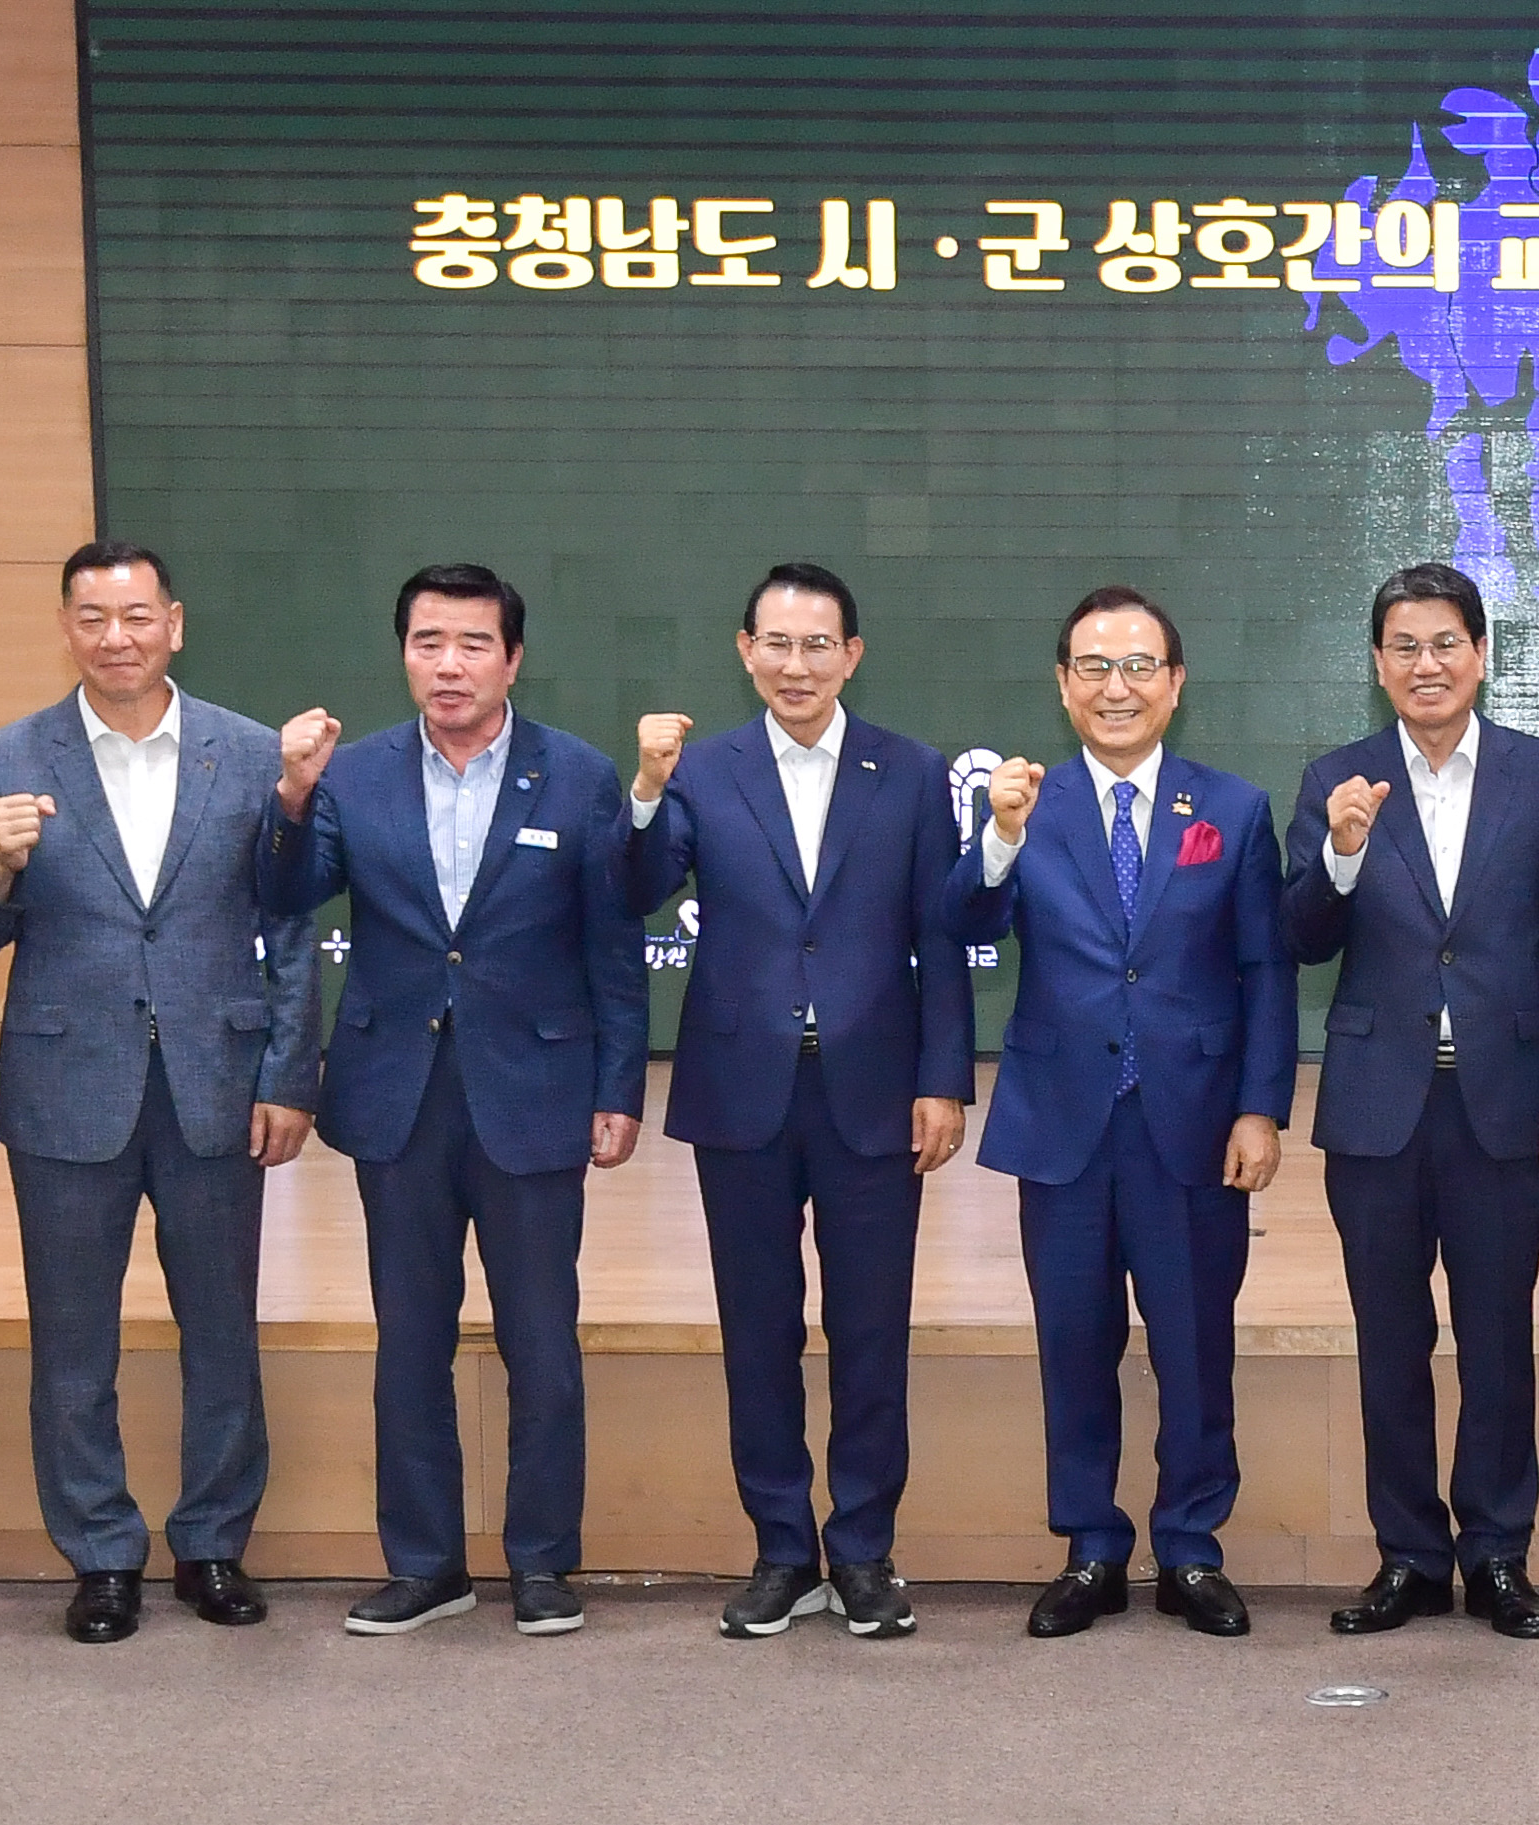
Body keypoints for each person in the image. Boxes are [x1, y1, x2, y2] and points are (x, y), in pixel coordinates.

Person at [0, 540, 322, 1645]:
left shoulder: (248, 754)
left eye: (138, 615)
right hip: (67, 1087)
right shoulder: (8, 755)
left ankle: (212, 1541)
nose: (118, 637)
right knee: (73, 1341)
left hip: (218, 1082)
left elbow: (292, 927)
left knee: (222, 1331)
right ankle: (101, 1552)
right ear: (66, 627)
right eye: (94, 617)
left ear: (175, 624)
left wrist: (288, 1074)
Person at [264, 562, 645, 1638]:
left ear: (512, 659)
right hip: (398, 1097)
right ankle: (425, 1563)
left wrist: (618, 1083)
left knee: (542, 1341)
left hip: (536, 1090)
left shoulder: (578, 775)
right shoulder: (353, 774)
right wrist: (290, 796)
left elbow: (613, 943)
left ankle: (543, 1562)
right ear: (404, 654)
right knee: (409, 1342)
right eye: (428, 641)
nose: (449, 663)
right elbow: (285, 893)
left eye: (473, 643)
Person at [625, 560, 975, 1641]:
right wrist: (644, 789)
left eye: (817, 643)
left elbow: (941, 939)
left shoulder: (910, 772)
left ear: (851, 655)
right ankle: (781, 1547)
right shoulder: (700, 769)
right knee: (757, 1330)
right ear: (746, 652)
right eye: (775, 643)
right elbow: (635, 888)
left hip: (874, 1091)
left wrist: (943, 1080)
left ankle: (862, 1548)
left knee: (871, 1331)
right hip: (741, 1092)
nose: (796, 664)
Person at [953, 586, 1297, 1640]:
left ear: (1175, 683)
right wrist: (999, 837)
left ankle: (1190, 1546)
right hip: (1063, 1123)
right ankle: (1092, 1546)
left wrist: (1260, 1108)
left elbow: (1265, 969)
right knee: (1074, 1344)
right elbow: (963, 916)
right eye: (1095, 667)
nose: (1118, 687)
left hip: (1190, 1123)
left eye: (1139, 665)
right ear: (1063, 685)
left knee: (1195, 1347)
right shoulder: (1024, 804)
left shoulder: (1231, 809)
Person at [1284, 562, 1539, 1640]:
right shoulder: (1337, 778)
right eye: (1404, 647)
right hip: (1378, 1104)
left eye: (1445, 643)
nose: (1426, 664)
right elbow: (1300, 937)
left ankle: (1498, 1553)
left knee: (1497, 1334)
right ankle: (1409, 1556)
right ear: (1377, 664)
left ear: (1481, 654)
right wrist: (1339, 853)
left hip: (1503, 1101)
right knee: (1390, 1338)